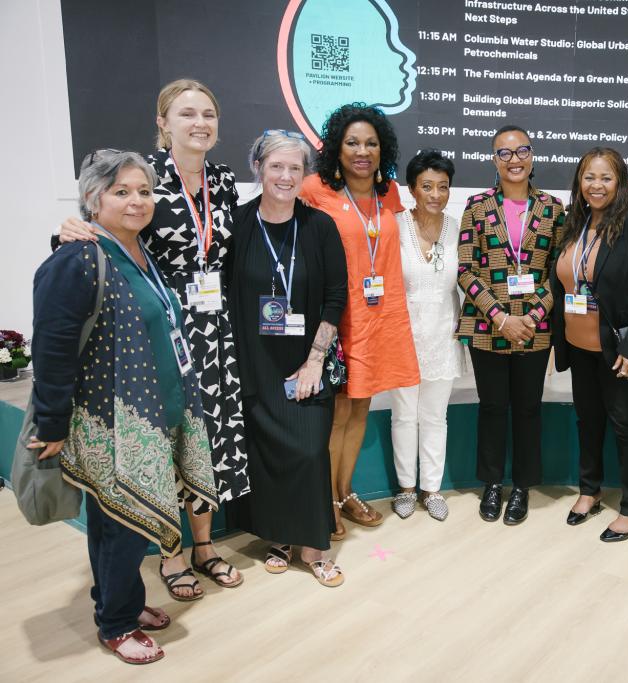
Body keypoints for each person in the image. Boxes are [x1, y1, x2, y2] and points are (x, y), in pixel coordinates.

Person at [57, 79, 246, 599]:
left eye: (208, 113)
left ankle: (205, 545)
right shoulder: (145, 176)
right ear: (163, 123)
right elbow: (106, 227)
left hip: (215, 331)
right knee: (163, 440)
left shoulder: (223, 180)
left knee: (205, 440)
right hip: (159, 328)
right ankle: (171, 553)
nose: (200, 123)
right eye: (186, 114)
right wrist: (68, 230)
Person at [31, 150, 219, 664]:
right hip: (113, 423)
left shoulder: (138, 251)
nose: (137, 201)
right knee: (124, 524)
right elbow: (52, 345)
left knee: (115, 522)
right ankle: (116, 624)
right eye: (121, 192)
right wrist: (51, 422)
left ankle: (120, 603)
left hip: (155, 413)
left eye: (144, 191)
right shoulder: (77, 257)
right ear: (93, 200)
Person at [226, 130, 347, 586]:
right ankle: (278, 537)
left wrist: (315, 359)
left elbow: (336, 297)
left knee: (310, 450)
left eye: (295, 167)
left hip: (305, 360)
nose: (285, 176)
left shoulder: (320, 227)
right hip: (254, 360)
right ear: (258, 168)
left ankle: (314, 546)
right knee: (267, 453)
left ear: (305, 174)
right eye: (276, 166)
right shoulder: (236, 224)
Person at [300, 103, 420, 536]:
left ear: (382, 148)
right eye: (352, 142)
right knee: (337, 413)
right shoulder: (315, 188)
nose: (362, 151)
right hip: (335, 317)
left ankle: (346, 492)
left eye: (371, 143)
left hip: (379, 317)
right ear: (337, 147)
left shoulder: (390, 193)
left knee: (361, 408)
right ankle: (324, 500)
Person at [551, 147, 628, 541]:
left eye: (605, 178)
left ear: (620, 183)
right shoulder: (574, 221)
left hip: (619, 350)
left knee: (625, 426)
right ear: (579, 182)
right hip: (578, 343)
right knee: (588, 421)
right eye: (589, 177)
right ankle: (590, 490)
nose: (596, 185)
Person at [458, 124, 564, 525]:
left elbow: (559, 272)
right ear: (494, 159)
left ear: (532, 156)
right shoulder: (477, 206)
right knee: (492, 407)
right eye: (504, 152)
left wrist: (532, 317)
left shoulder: (553, 208)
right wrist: (500, 317)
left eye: (521, 151)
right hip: (489, 327)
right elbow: (465, 269)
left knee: (528, 409)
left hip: (534, 330)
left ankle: (522, 485)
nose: (514, 159)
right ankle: (492, 483)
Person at [390, 150, 467, 521]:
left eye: (443, 186)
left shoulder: (457, 228)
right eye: (427, 186)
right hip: (402, 335)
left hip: (443, 336)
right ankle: (406, 488)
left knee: (435, 416)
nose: (435, 194)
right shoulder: (395, 226)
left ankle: (431, 489)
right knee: (404, 415)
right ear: (412, 189)